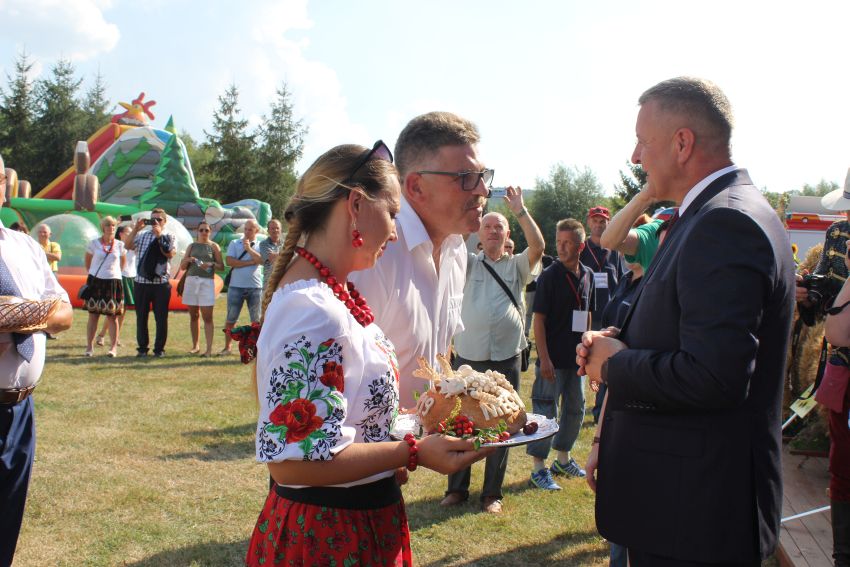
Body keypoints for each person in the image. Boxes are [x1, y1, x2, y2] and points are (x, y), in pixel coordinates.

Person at [577, 77, 794, 565]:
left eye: (642, 142)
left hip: (694, 516)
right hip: (684, 508)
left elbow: (715, 376)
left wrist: (615, 364)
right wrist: (620, 339)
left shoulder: (725, 222)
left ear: (682, 143)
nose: (635, 157)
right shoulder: (708, 214)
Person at [246, 141, 490, 566]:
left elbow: (350, 422)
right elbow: (291, 463)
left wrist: (414, 432)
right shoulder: (311, 309)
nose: (395, 232)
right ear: (356, 205)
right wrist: (412, 452)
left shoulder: (334, 296)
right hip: (329, 534)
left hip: (359, 520)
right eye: (392, 213)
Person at [349, 111, 490, 408]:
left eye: (483, 176)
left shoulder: (456, 248)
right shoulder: (378, 251)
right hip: (374, 436)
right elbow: (340, 369)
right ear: (415, 187)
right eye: (466, 178)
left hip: (426, 433)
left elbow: (441, 351)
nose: (483, 190)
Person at [443, 196, 544, 514]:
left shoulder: (517, 265)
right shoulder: (468, 262)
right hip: (468, 358)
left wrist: (520, 211)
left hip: (505, 357)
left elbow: (538, 246)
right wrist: (470, 210)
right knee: (461, 422)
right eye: (486, 226)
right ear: (479, 232)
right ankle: (456, 489)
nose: (492, 231)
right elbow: (452, 243)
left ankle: (492, 494)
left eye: (498, 226)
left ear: (506, 233)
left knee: (503, 425)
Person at [0, 159, 73, 566]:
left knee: (7, 520)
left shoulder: (24, 246)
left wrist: (16, 314)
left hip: (20, 409)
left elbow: (64, 313)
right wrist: (36, 312)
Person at [527, 218, 595, 490]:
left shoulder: (588, 275)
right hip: (552, 360)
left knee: (575, 409)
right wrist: (544, 359)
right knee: (546, 411)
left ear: (581, 246)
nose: (562, 248)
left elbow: (587, 314)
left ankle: (563, 459)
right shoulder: (549, 276)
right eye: (559, 242)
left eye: (567, 243)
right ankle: (538, 468)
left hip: (577, 359)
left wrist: (589, 352)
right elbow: (539, 320)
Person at [803, 177, 850, 567]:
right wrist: (809, 294)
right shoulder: (837, 234)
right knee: (843, 466)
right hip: (844, 367)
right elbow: (824, 296)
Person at [127, 209, 176, 358]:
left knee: (161, 318)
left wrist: (159, 235)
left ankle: (159, 349)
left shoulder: (169, 236)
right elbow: (127, 246)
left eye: (159, 220)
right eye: (153, 219)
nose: (155, 222)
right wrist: (136, 229)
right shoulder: (142, 235)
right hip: (141, 282)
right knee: (141, 317)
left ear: (165, 222)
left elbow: (170, 254)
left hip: (160, 283)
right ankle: (142, 348)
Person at [83, 216, 126, 357]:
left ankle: (113, 348)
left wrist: (114, 274)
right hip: (96, 281)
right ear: (103, 228)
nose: (111, 228)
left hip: (113, 282)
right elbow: (88, 263)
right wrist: (95, 274)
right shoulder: (94, 244)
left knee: (112, 316)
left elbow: (122, 263)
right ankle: (89, 347)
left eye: (113, 225)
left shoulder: (119, 245)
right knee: (93, 315)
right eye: (108, 225)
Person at [179, 221, 224, 357]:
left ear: (210, 232)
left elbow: (221, 266)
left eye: (206, 230)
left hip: (206, 282)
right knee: (194, 315)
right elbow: (182, 267)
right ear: (197, 232)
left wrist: (210, 264)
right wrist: (188, 260)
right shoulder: (191, 246)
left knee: (207, 317)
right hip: (191, 281)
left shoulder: (214, 246)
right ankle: (195, 346)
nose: (204, 232)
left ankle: (208, 350)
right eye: (201, 230)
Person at [580, 206, 626, 330]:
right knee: (579, 340)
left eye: (602, 221)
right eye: (594, 221)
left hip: (609, 314)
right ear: (588, 222)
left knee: (605, 342)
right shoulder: (580, 248)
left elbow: (621, 280)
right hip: (583, 312)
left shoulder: (614, 249)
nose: (598, 225)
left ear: (608, 223)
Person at [222, 219, 263, 355]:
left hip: (255, 287)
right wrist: (251, 262)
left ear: (256, 231)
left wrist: (249, 249)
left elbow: (261, 260)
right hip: (236, 286)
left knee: (256, 321)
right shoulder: (234, 243)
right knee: (231, 319)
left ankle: (256, 348)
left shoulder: (261, 244)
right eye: (246, 229)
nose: (247, 232)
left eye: (250, 229)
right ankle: (227, 347)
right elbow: (229, 261)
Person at [96, 225, 134, 347]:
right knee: (113, 310)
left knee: (123, 311)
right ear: (121, 234)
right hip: (119, 277)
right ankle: (101, 335)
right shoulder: (116, 245)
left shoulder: (134, 246)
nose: (131, 234)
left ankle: (116, 338)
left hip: (130, 278)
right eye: (128, 232)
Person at [259, 218, 283, 289]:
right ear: (268, 230)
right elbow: (271, 258)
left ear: (281, 230)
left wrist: (277, 255)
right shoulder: (263, 244)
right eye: (272, 228)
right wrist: (286, 254)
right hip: (269, 284)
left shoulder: (286, 244)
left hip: (283, 283)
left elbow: (292, 257)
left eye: (277, 228)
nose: (275, 230)